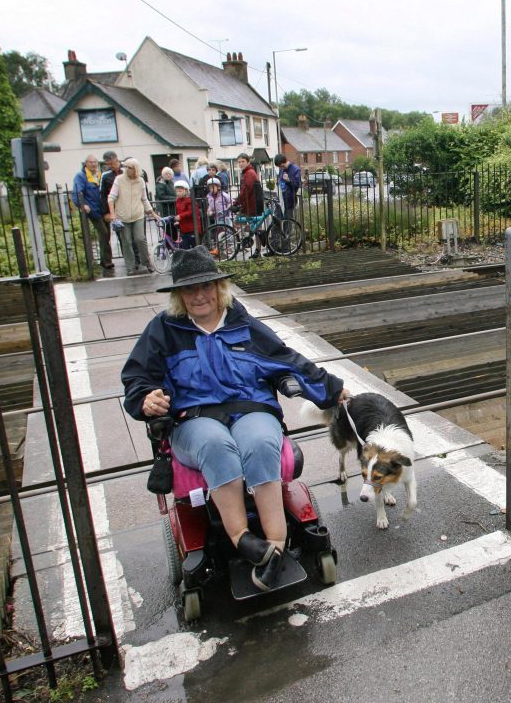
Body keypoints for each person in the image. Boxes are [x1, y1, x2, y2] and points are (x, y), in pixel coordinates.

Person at [121, 246, 347, 590]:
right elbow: (138, 379)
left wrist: (331, 390)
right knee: (216, 445)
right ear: (180, 295)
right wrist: (145, 398)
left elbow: (287, 359)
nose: (199, 295)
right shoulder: (164, 331)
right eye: (189, 289)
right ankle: (243, 538)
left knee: (258, 441)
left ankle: (274, 545)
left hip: (250, 409)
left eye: (205, 287)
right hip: (193, 419)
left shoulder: (242, 324)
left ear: (218, 288)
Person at [108, 158, 158, 275]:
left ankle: (147, 262)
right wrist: (112, 213)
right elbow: (111, 198)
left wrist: (153, 213)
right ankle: (130, 266)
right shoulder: (119, 180)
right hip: (122, 216)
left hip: (138, 214)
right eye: (125, 167)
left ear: (135, 169)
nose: (126, 169)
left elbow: (144, 199)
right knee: (126, 241)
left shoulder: (140, 181)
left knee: (140, 238)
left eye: (129, 167)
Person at [72, 155, 113, 274]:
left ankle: (103, 259)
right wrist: (82, 205)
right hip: (93, 210)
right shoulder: (81, 176)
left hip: (103, 209)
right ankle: (107, 261)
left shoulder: (100, 175)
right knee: (103, 233)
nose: (94, 164)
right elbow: (77, 192)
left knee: (107, 234)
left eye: (95, 162)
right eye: (91, 162)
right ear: (86, 163)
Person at [231, 153, 262, 258]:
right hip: (249, 205)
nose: (240, 164)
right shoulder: (246, 172)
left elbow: (246, 190)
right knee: (254, 227)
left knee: (256, 227)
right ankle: (248, 243)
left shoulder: (249, 173)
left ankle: (254, 247)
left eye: (243, 161)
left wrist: (236, 202)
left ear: (248, 162)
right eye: (239, 162)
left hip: (253, 205)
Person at [273, 153, 301, 221]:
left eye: (282, 166)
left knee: (287, 224)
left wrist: (288, 180)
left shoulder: (295, 169)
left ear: (285, 161)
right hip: (280, 201)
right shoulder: (282, 170)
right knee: (276, 223)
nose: (281, 168)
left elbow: (297, 185)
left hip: (289, 202)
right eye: (280, 167)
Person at [174, 180, 198, 248]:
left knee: (194, 246)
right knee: (184, 246)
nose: (178, 193)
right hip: (183, 228)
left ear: (186, 191)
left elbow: (191, 212)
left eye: (180, 191)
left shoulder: (190, 200)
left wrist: (180, 216)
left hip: (191, 228)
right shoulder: (178, 201)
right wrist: (178, 221)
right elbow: (179, 212)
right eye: (176, 191)